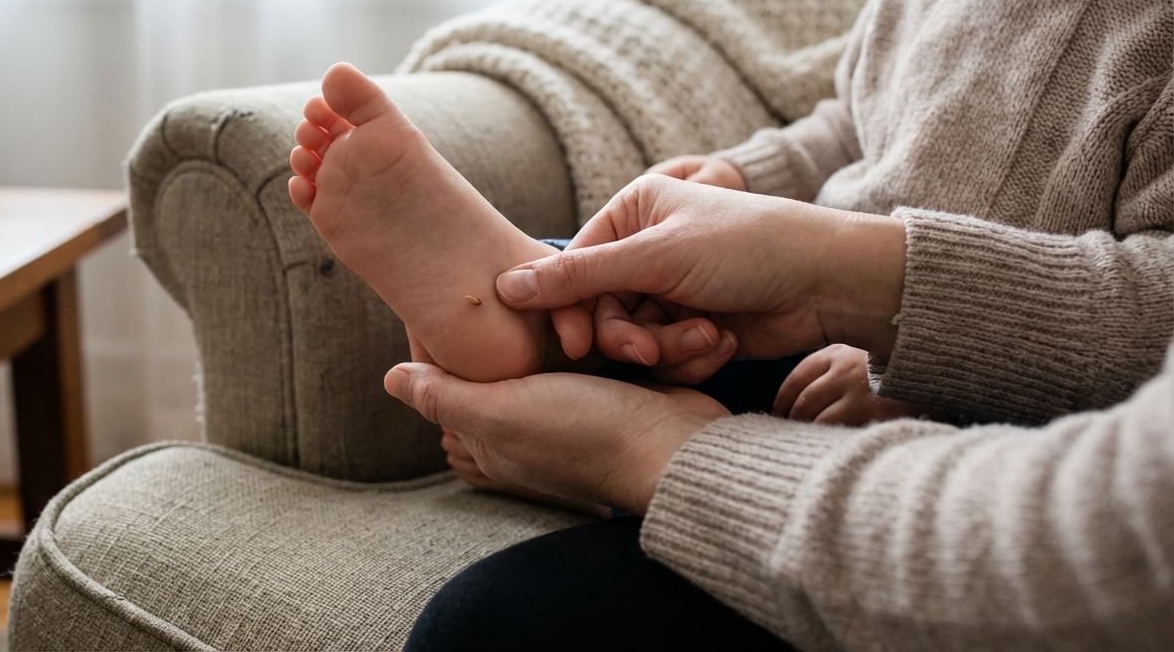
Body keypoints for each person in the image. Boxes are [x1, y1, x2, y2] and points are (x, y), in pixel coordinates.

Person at [290, 0, 1174, 439]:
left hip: (978, 398)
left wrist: (925, 375)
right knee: (656, 319)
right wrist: (750, 177)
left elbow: (1148, 317)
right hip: (799, 309)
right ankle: (528, 312)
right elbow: (853, 124)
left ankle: (546, 373)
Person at [385, 171, 1174, 649]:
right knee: (668, 322)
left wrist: (917, 353)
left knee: (490, 629)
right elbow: (840, 111)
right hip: (830, 334)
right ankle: (545, 328)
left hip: (981, 414)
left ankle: (588, 461)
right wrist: (751, 180)